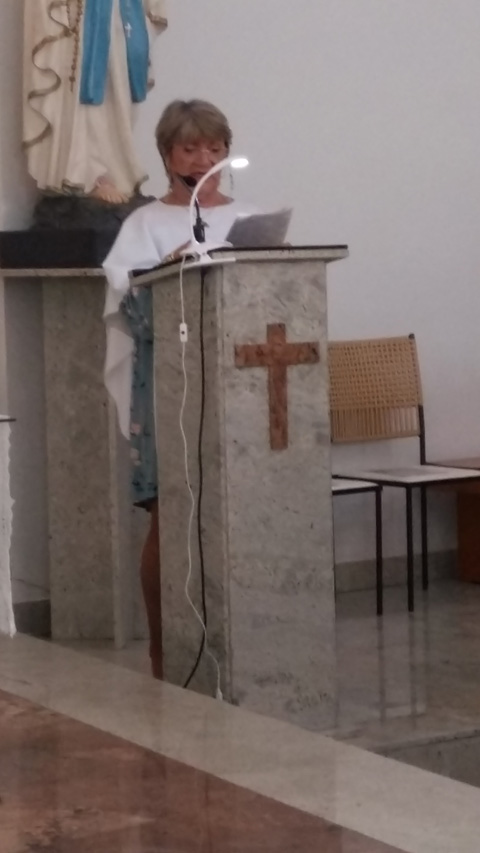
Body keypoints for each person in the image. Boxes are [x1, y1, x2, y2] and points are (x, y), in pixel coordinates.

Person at [103, 99, 257, 677]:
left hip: (239, 386)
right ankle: (163, 649)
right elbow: (129, 307)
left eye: (215, 148)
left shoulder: (250, 221)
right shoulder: (143, 225)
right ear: (168, 155)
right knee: (170, 516)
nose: (204, 158)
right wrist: (165, 273)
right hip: (169, 386)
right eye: (190, 148)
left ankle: (245, 641)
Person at [23, 0, 167, 202]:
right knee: (85, 94)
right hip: (83, 17)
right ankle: (91, 175)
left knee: (120, 89)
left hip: (124, 13)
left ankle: (116, 171)